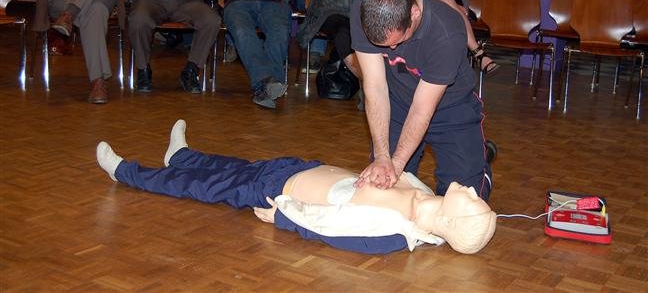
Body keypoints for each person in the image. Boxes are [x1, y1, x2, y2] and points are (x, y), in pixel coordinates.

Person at [96, 119, 497, 255]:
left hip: (277, 192)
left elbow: (333, 229)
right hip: (297, 168)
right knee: (231, 166)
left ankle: (127, 173)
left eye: (471, 201)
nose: (472, 191)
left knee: (201, 186)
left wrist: (284, 218)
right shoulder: (423, 194)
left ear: (451, 220)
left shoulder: (396, 231)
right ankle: (181, 156)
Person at [351, 0, 493, 201]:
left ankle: (480, 158)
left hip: (451, 108)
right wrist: (382, 156)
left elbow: (421, 109)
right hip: (398, 101)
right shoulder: (364, 12)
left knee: (463, 201)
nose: (391, 50)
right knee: (383, 189)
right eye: (382, 45)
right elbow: (376, 87)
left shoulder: (447, 30)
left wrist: (397, 163)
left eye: (397, 41)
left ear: (414, 13)